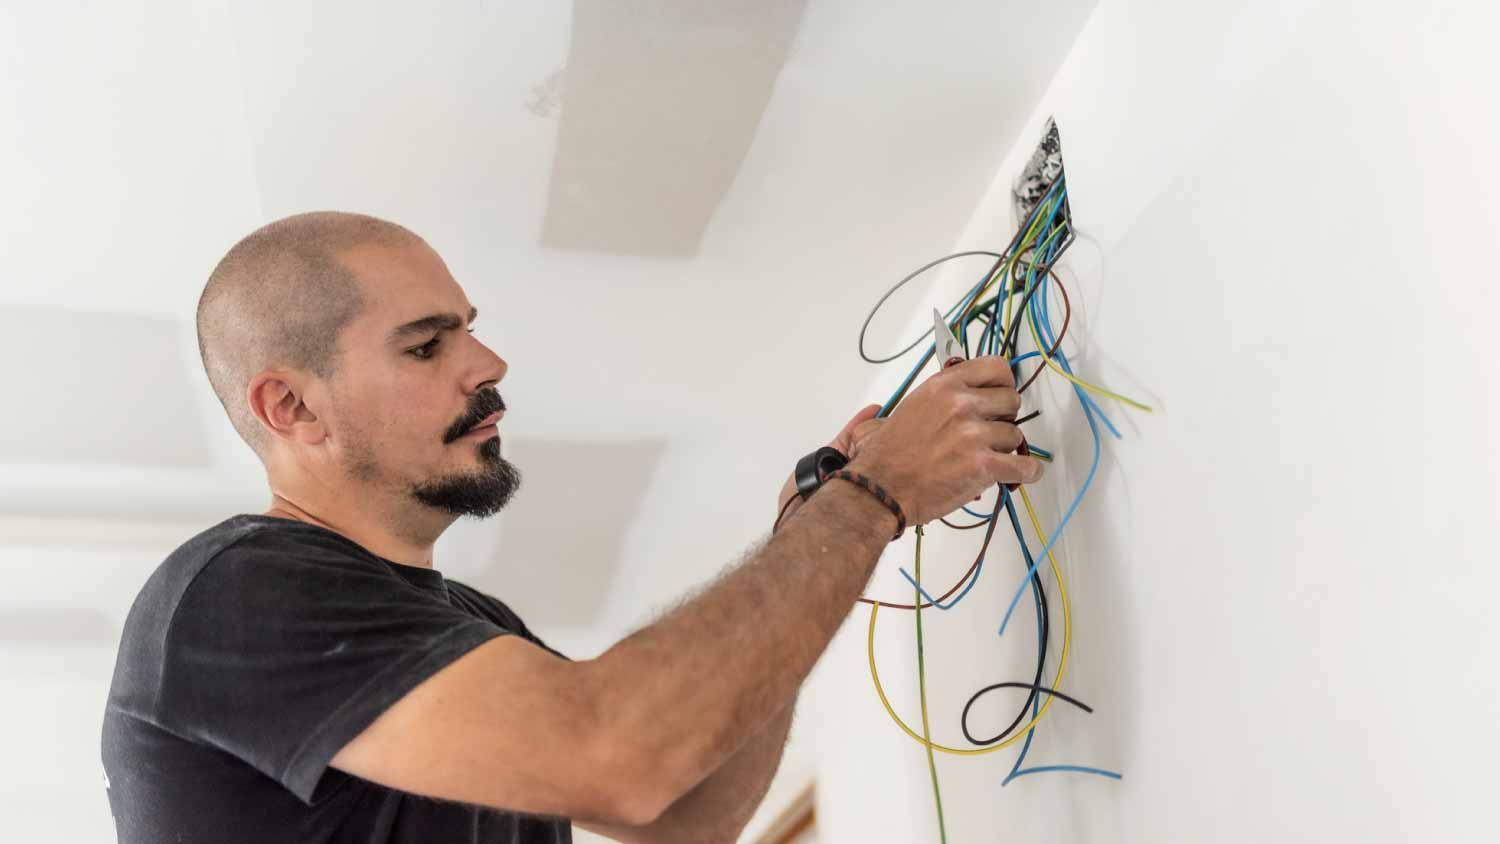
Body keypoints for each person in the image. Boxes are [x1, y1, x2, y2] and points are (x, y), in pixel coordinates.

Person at [100, 211, 1042, 843]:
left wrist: (810, 524)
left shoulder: (472, 625)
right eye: (428, 345)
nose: (488, 362)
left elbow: (683, 812)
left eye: (469, 330)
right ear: (292, 407)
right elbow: (625, 761)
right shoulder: (233, 593)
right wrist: (866, 501)